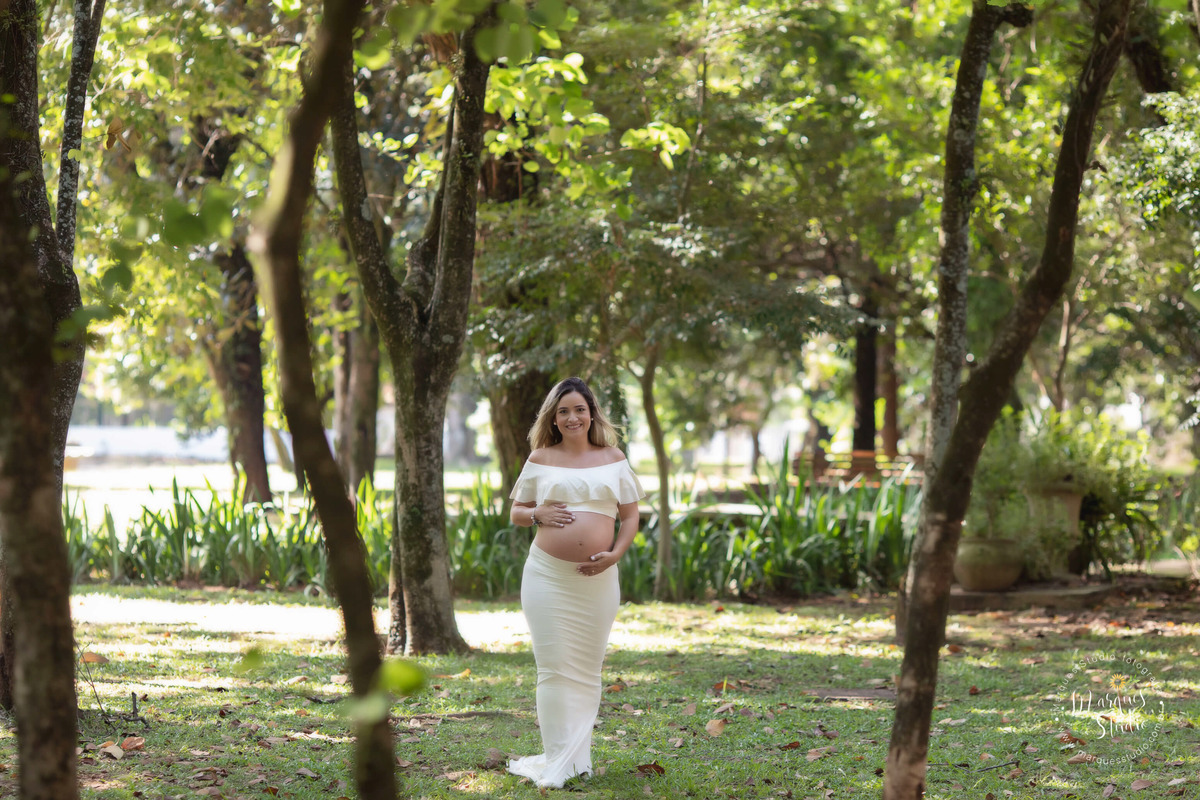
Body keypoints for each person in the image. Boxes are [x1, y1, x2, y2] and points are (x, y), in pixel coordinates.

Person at [506, 376, 645, 789]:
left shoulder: (613, 457)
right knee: (552, 669)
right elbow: (516, 511)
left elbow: (631, 515)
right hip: (547, 575)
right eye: (563, 410)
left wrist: (617, 553)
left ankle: (577, 760)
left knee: (586, 670)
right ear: (554, 417)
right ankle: (556, 761)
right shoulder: (541, 457)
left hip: (599, 580)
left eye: (579, 409)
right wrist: (538, 515)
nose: (572, 417)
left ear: (591, 414)